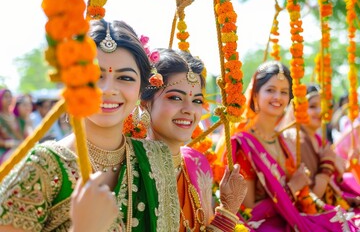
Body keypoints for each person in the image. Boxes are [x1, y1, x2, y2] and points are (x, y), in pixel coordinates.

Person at [0, 19, 179, 232]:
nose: (108, 89)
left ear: (142, 89)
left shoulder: (157, 159)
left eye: (125, 77)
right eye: (94, 76)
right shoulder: (42, 167)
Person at [221, 61, 357, 231]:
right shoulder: (244, 144)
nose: (278, 97)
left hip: (291, 216)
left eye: (284, 92)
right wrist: (293, 187)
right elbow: (249, 211)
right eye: (270, 90)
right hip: (264, 226)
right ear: (255, 95)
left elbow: (303, 193)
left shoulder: (282, 140)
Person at [141, 48, 248, 231]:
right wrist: (228, 212)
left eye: (197, 101)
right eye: (175, 97)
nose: (189, 110)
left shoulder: (196, 162)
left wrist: (228, 209)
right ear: (146, 103)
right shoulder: (130, 165)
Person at [281, 83, 360, 209]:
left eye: (322, 106)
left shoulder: (319, 139)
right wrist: (327, 166)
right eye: (312, 106)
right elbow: (313, 197)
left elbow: (337, 178)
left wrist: (348, 166)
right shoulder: (297, 140)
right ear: (298, 109)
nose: (320, 111)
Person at [0, 89, 23, 164]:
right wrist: (8, 143)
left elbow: (21, 135)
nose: (9, 99)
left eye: (10, 97)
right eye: (5, 97)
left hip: (18, 146)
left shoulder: (16, 117)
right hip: (3, 149)